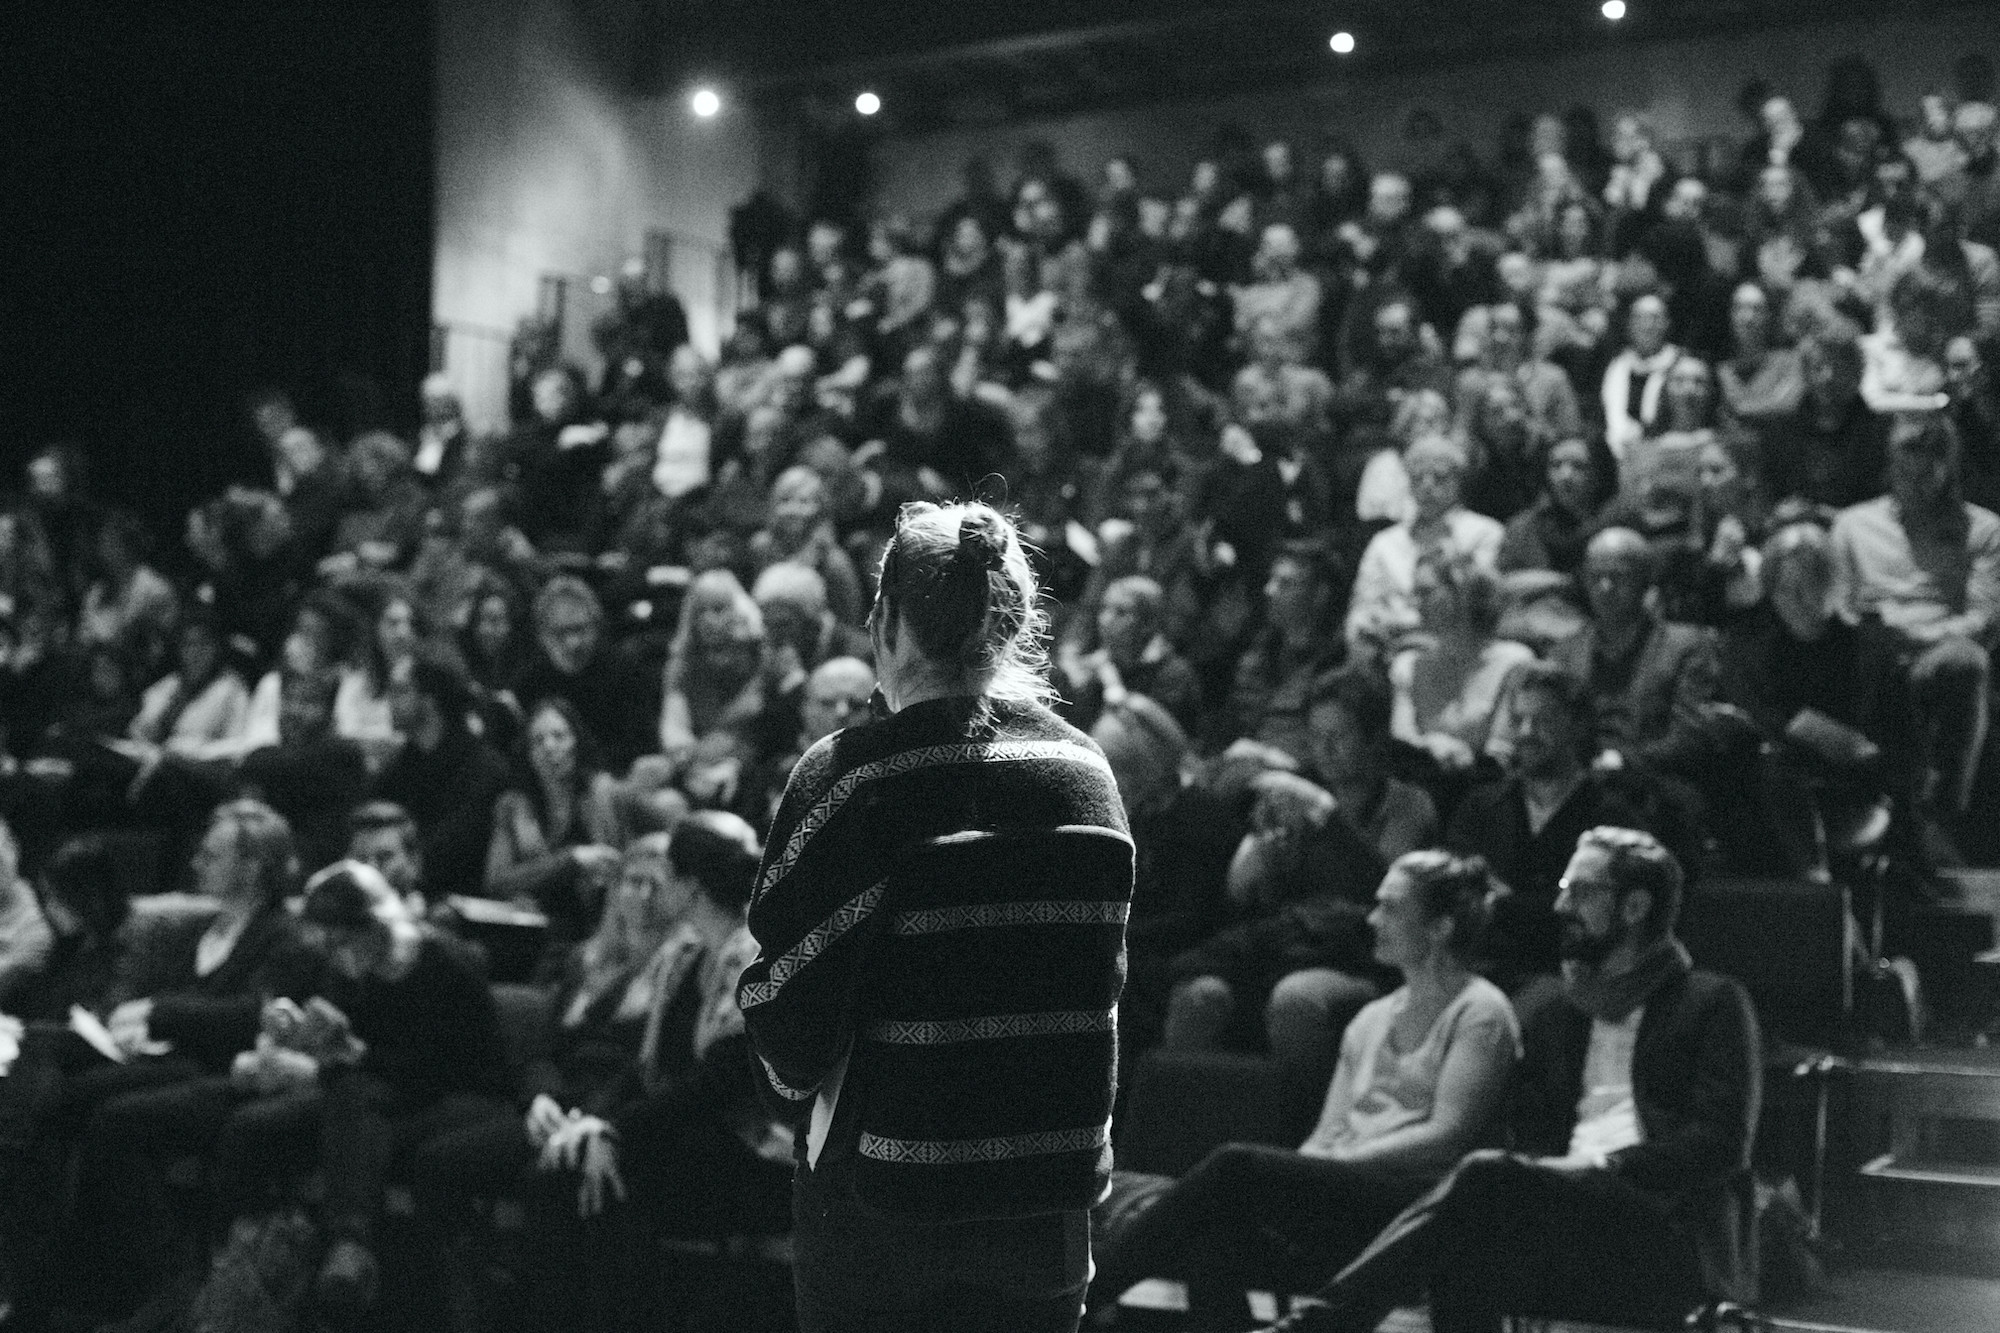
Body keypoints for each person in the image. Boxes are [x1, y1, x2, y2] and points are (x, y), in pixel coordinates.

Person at [739, 501, 1133, 1333]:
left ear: (882, 619)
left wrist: (784, 1090)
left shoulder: (852, 776)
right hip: (1046, 1212)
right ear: (1014, 618)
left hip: (886, 1213)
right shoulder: (1087, 771)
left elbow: (794, 1017)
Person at [1257, 827, 1760, 1333]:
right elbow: (1531, 1128)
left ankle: (1321, 1326)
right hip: (1565, 1214)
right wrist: (1554, 1172)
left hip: (1664, 1225)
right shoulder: (1557, 1009)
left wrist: (1600, 1167)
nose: (1562, 906)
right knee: (1468, 1238)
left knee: (1483, 1180)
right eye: (1564, 886)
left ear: (1634, 908)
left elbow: (1720, 1143)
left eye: (1580, 891)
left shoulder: (1711, 1002)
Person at [1089, 852, 1520, 1322]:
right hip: (1347, 1187)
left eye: (1391, 908)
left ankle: (1080, 1301)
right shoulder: (1372, 1018)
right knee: (1222, 1217)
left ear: (1440, 927)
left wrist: (1327, 1166)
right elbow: (1330, 1128)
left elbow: (1447, 1134)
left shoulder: (1480, 1011)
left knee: (1236, 1167)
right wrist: (1306, 1171)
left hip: (1419, 1199)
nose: (1373, 920)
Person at [1169, 667, 1438, 1097]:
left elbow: (1388, 892)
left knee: (1296, 1000)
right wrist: (1261, 851)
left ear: (1373, 739)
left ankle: (1296, 1139)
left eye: (1340, 736)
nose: (1324, 749)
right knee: (1199, 995)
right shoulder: (1299, 796)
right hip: (1287, 947)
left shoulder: (1406, 804)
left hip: (1362, 957)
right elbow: (1242, 894)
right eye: (1315, 735)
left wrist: (1326, 816)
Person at [1831, 414, 2000, 850]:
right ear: (1890, 463)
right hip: (1869, 652)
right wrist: (1874, 629)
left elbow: (1984, 620)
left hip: (1938, 652)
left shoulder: (1981, 530)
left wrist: (1915, 631)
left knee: (1965, 661)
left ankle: (1937, 815)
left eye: (1931, 465)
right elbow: (1840, 608)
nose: (1918, 478)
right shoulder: (1854, 526)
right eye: (1907, 465)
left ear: (1950, 467)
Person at [1346, 435, 1505, 659]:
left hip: (1458, 647)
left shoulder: (1484, 532)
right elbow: (1364, 604)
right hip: (1387, 649)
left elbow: (1475, 601)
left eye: (1439, 477)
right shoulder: (1384, 542)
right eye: (1417, 477)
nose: (1427, 486)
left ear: (1458, 482)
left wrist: (1404, 624)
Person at [485, 698, 629, 940]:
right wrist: (571, 860)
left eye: (559, 736)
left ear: (577, 742)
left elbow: (620, 866)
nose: (549, 747)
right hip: (535, 929)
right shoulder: (512, 806)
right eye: (538, 740)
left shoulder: (605, 794)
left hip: (599, 928)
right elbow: (496, 880)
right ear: (528, 753)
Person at [1391, 550, 1535, 776]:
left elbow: (1501, 751)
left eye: (1426, 592)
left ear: (1462, 593)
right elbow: (1401, 741)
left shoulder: (1514, 662)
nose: (1415, 603)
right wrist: (1434, 744)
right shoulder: (1409, 665)